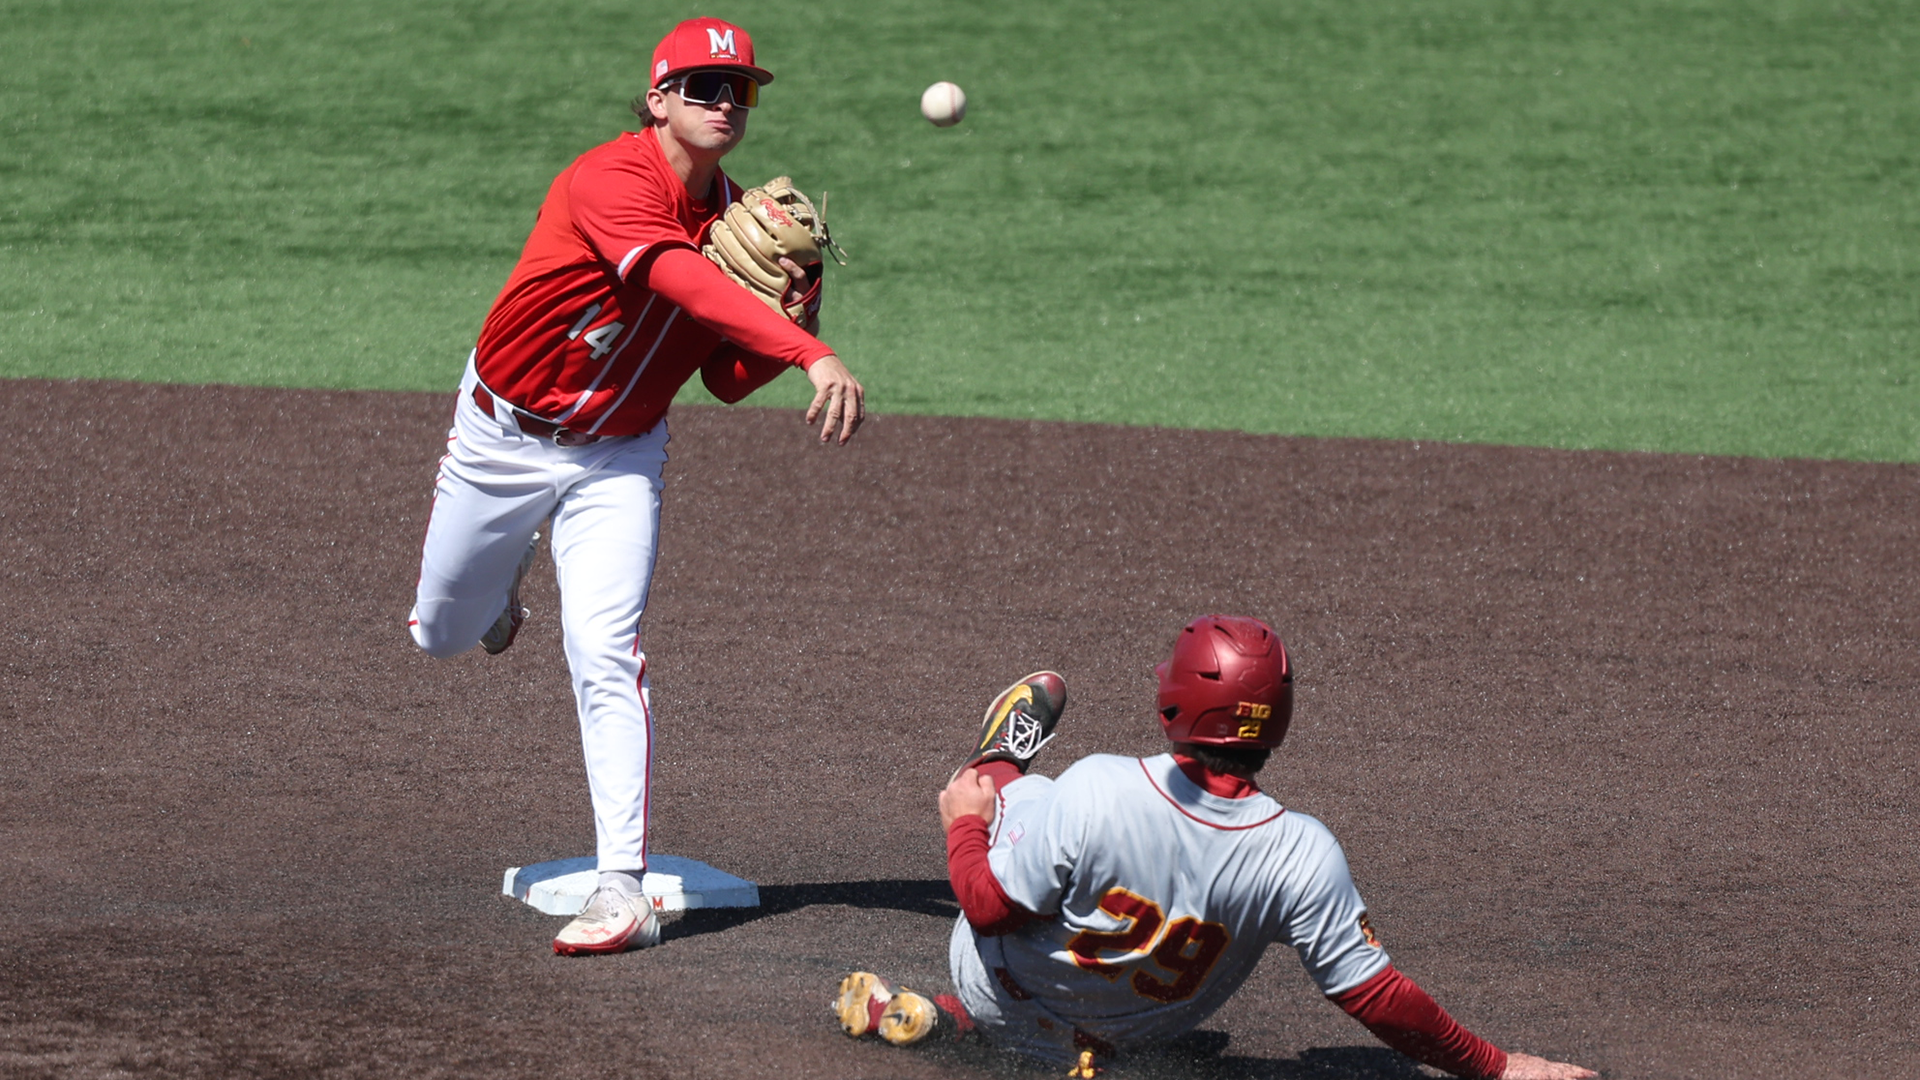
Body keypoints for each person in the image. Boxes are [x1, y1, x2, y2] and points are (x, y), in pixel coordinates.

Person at [407, 17, 864, 957]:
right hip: (503, 437)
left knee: (605, 647)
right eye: (703, 87)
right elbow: (674, 277)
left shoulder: (747, 225)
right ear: (658, 98)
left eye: (739, 90)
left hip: (618, 454)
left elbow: (725, 381)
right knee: (442, 635)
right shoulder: (607, 179)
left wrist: (800, 297)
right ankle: (498, 585)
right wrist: (814, 353)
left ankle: (622, 886)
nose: (725, 104)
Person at [832, 616, 1597, 1080]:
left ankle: (997, 756)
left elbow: (989, 908)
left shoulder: (1098, 788)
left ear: (1174, 704)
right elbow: (1374, 995)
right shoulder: (1302, 852)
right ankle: (988, 1033)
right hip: (1134, 1034)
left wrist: (964, 824)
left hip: (1003, 987)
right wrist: (1495, 1066)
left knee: (1016, 796)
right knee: (1189, 1012)